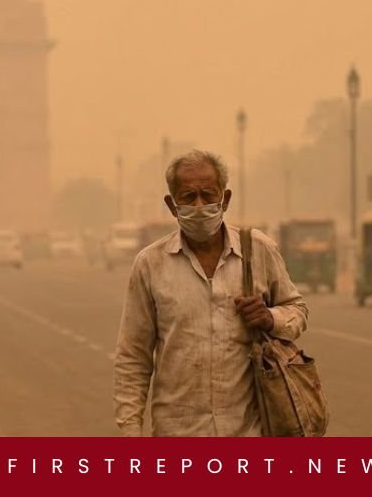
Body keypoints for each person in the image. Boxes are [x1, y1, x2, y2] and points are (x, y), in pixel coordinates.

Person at [113, 149, 308, 436]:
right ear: (171, 204)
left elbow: (298, 310)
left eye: (208, 194)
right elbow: (133, 356)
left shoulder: (257, 250)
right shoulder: (150, 264)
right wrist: (131, 429)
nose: (200, 205)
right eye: (189, 197)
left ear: (225, 199)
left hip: (248, 431)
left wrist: (270, 318)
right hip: (177, 432)